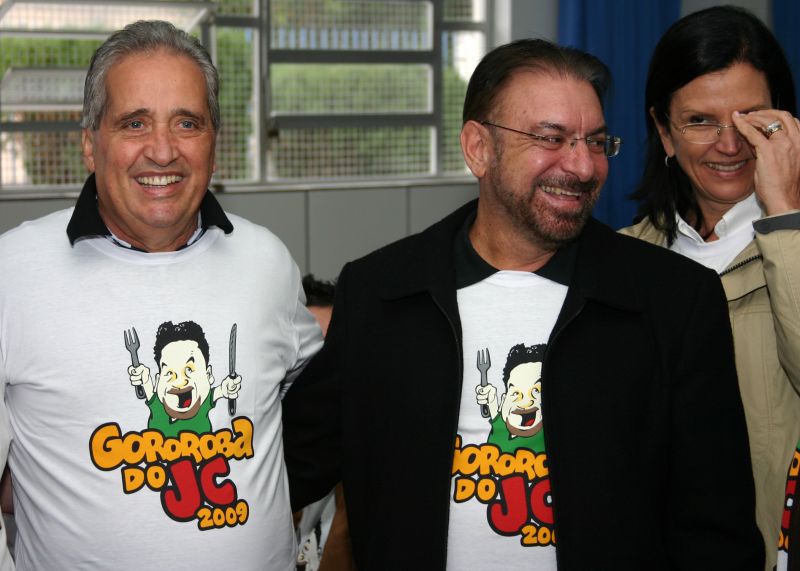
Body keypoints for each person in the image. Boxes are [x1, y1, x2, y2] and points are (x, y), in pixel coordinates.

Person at [283, 38, 764, 570]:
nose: (583, 166)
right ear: (478, 148)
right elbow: (286, 469)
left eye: (596, 142)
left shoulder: (672, 300)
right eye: (551, 138)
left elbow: (716, 528)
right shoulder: (381, 293)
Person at [0, 20, 321, 570]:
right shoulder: (13, 272)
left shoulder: (266, 261)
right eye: (135, 123)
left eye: (187, 123)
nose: (163, 150)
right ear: (89, 144)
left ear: (213, 144)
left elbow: (307, 402)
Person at [620, 7, 800, 570]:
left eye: (749, 119)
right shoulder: (622, 259)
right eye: (700, 121)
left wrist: (784, 213)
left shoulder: (793, 242)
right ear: (663, 131)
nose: (729, 144)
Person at [294, 274, 355, 571]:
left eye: (329, 354)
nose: (318, 373)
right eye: (305, 353)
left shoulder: (368, 477)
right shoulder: (258, 468)